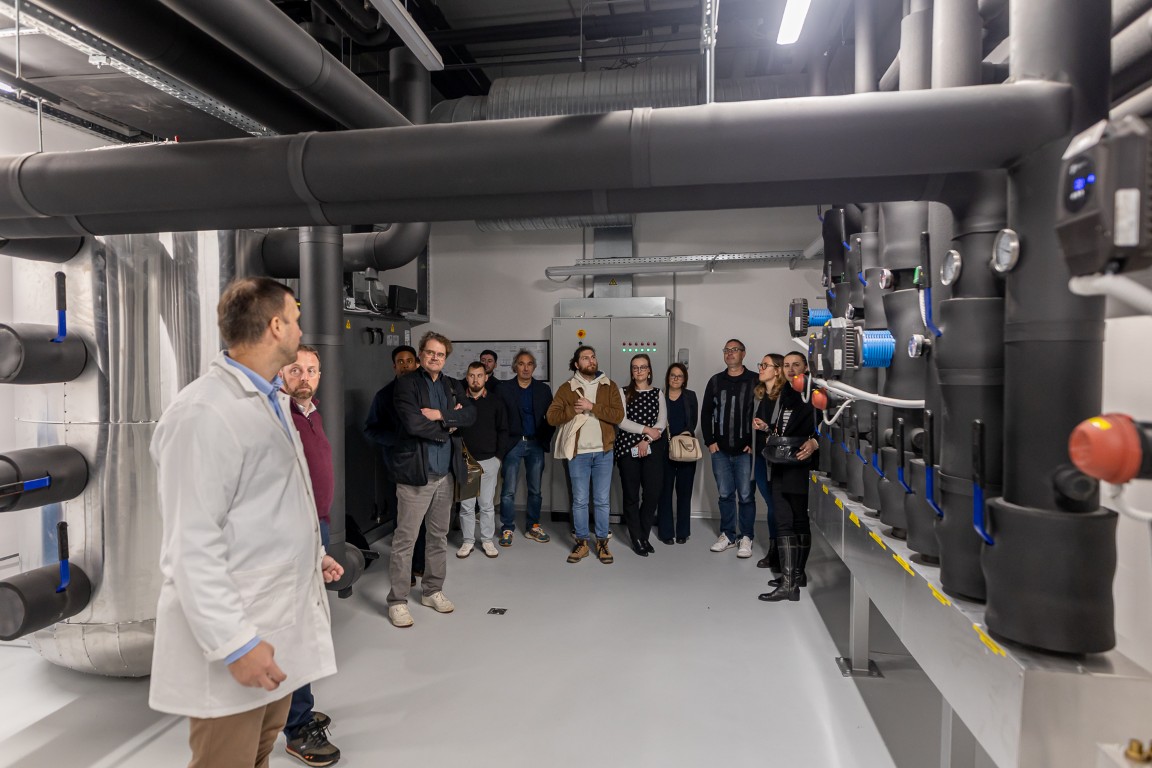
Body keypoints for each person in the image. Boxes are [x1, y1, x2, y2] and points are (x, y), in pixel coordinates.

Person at [149, 277, 342, 768]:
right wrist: (236, 645)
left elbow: (273, 503)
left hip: (276, 624)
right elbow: (190, 546)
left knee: (258, 753)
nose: (300, 329)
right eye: (295, 319)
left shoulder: (272, 398)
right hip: (238, 637)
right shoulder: (203, 413)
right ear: (275, 326)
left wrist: (313, 554)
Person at [385, 331, 476, 628]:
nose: (435, 358)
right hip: (416, 475)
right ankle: (398, 601)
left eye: (440, 354)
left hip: (445, 474)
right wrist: (449, 424)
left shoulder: (451, 385)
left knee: (438, 537)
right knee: (405, 540)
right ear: (421, 354)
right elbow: (413, 424)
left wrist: (439, 414)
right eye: (430, 352)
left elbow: (471, 415)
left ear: (445, 358)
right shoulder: (406, 384)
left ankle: (432, 590)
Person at [278, 345, 341, 766]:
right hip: (292, 531)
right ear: (280, 372)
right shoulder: (277, 415)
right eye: (296, 369)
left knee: (306, 623)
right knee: (295, 630)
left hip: (315, 526)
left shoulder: (309, 412)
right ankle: (297, 727)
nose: (305, 377)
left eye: (312, 370)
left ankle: (296, 709)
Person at [547, 345, 625, 564]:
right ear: (576, 364)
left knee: (602, 500)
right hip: (578, 454)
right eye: (585, 358)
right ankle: (581, 543)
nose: (591, 360)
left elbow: (618, 416)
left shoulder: (609, 385)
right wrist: (573, 410)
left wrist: (592, 406)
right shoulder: (567, 388)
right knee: (580, 500)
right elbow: (551, 417)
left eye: (593, 357)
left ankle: (602, 543)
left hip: (603, 453)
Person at [759, 351, 819, 603]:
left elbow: (830, 423)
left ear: (805, 367)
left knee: (795, 520)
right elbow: (783, 426)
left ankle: (791, 582)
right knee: (788, 520)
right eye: (786, 365)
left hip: (800, 463)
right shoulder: (785, 393)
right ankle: (793, 577)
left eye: (796, 365)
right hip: (782, 461)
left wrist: (816, 441)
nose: (791, 369)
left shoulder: (815, 393)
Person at [364, 345, 427, 586]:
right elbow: (371, 429)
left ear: (417, 364)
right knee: (403, 523)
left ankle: (420, 564)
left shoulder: (426, 391)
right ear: (394, 367)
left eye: (409, 361)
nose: (405, 365)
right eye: (400, 362)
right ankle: (406, 571)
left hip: (425, 465)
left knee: (422, 520)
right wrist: (397, 441)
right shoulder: (383, 396)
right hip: (398, 467)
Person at [701, 339, 760, 557]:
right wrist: (710, 441)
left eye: (734, 350)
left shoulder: (755, 380)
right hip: (720, 451)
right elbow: (706, 412)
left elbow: (762, 412)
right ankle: (728, 535)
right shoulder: (716, 381)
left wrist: (754, 444)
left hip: (746, 451)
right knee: (725, 494)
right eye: (726, 350)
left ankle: (746, 537)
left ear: (744, 354)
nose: (730, 353)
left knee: (746, 495)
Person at [496, 349, 555, 546]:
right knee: (508, 490)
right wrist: (502, 444)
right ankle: (507, 528)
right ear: (515, 367)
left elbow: (552, 418)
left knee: (535, 489)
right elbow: (498, 419)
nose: (526, 368)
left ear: (534, 367)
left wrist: (544, 439)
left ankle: (533, 526)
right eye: (521, 364)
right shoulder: (504, 389)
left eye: (529, 364)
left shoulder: (543, 390)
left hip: (535, 443)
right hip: (512, 444)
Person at [456, 361, 510, 559]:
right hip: (466, 461)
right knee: (467, 506)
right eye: (472, 375)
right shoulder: (459, 402)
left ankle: (487, 540)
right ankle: (468, 541)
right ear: (467, 377)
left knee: (486, 505)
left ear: (486, 377)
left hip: (489, 460)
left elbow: (503, 430)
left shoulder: (496, 402)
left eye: (479, 375)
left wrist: (498, 458)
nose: (475, 380)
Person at [615, 354, 667, 557]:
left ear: (649, 370)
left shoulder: (657, 393)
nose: (639, 371)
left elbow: (661, 422)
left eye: (643, 367)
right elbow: (621, 421)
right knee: (631, 496)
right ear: (631, 371)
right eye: (635, 368)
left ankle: (643, 535)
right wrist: (646, 430)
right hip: (627, 449)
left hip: (652, 447)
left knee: (652, 493)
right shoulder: (623, 392)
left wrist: (646, 440)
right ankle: (636, 538)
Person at [658, 362, 698, 545]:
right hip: (663, 451)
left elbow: (693, 422)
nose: (675, 379)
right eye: (672, 375)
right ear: (668, 378)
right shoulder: (659, 395)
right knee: (664, 493)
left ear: (684, 379)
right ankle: (666, 532)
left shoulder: (691, 396)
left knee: (684, 492)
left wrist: (684, 435)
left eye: (679, 376)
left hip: (685, 449)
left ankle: (683, 532)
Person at [752, 353, 785, 572]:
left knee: (776, 505)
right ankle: (777, 551)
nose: (761, 368)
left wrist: (766, 428)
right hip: (760, 458)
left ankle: (779, 552)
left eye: (765, 365)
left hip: (776, 460)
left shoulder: (785, 396)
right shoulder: (761, 395)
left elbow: (785, 429)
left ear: (778, 370)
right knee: (771, 504)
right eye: (761, 365)